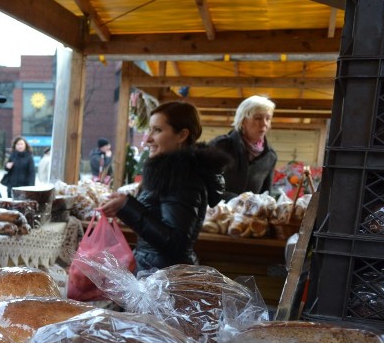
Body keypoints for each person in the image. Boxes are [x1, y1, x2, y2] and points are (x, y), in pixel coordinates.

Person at [100, 102, 228, 273]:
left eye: (157, 130)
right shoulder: (170, 172)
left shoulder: (182, 176)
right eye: (149, 130)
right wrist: (125, 205)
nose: (147, 139)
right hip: (157, 272)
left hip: (165, 279)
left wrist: (127, 206)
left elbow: (176, 242)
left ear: (182, 135)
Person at [209, 95, 277, 201]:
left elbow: (266, 194)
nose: (264, 124)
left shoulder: (269, 156)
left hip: (250, 216)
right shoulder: (221, 146)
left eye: (268, 118)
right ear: (243, 121)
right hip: (217, 214)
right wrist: (236, 199)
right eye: (258, 118)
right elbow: (204, 184)